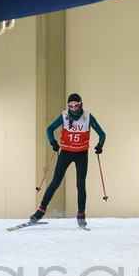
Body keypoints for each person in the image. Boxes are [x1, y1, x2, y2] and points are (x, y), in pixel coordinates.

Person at [29, 93, 106, 229]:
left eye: (76, 105)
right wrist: (53, 142)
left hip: (81, 153)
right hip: (66, 153)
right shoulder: (64, 116)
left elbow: (102, 134)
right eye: (71, 106)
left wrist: (100, 145)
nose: (73, 108)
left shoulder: (87, 116)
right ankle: (41, 211)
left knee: (80, 184)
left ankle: (81, 215)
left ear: (80, 104)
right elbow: (50, 129)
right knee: (56, 182)